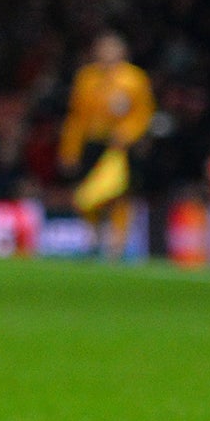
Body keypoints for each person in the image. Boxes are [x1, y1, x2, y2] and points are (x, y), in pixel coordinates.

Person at [58, 32, 155, 258]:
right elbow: (76, 117)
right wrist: (70, 150)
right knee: (88, 193)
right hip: (93, 144)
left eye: (111, 50)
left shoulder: (135, 79)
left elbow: (144, 114)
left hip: (121, 147)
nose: (106, 54)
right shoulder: (86, 78)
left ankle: (117, 245)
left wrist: (126, 134)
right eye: (102, 49)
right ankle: (92, 238)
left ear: (122, 53)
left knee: (120, 195)